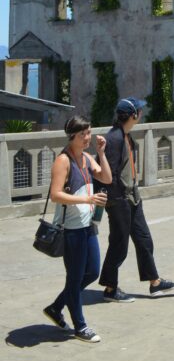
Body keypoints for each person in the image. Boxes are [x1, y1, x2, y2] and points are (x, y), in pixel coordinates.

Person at [98, 98, 174, 300]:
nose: (142, 113)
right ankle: (110, 288)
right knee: (119, 244)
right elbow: (109, 174)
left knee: (144, 239)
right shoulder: (114, 138)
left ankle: (155, 282)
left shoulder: (126, 136)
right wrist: (116, 201)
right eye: (139, 110)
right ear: (133, 115)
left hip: (133, 197)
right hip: (120, 200)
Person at [43, 115, 112, 343]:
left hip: (88, 225)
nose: (87, 138)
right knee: (74, 278)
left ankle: (56, 307)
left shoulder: (87, 157)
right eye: (83, 134)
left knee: (92, 272)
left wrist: (101, 153)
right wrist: (87, 199)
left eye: (89, 133)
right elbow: (55, 195)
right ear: (72, 136)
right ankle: (80, 326)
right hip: (71, 229)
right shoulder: (63, 160)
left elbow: (107, 178)